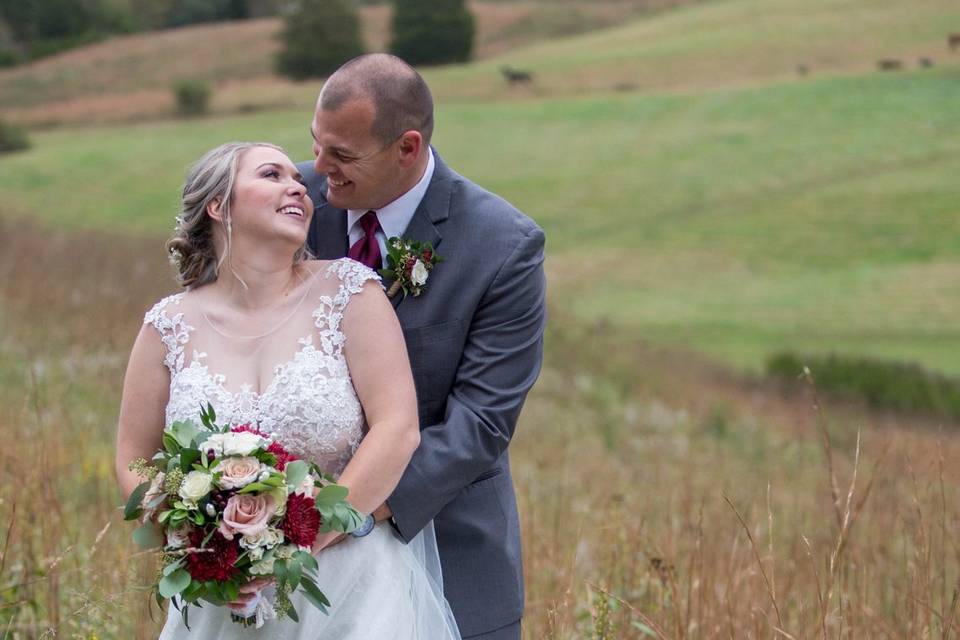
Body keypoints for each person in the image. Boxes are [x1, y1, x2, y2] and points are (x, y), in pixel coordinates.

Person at [114, 142, 461, 639]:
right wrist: (198, 544)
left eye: (296, 180)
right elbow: (134, 459)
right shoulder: (168, 325)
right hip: (222, 600)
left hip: (350, 587)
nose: (298, 184)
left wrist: (306, 538)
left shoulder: (350, 292)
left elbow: (398, 428)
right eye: (271, 175)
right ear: (218, 206)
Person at [301, 54, 547, 640]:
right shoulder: (294, 201)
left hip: (443, 540)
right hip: (291, 553)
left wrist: (341, 510)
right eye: (316, 145)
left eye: (342, 155)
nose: (318, 168)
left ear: (406, 148)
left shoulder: (502, 246)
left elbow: (482, 423)